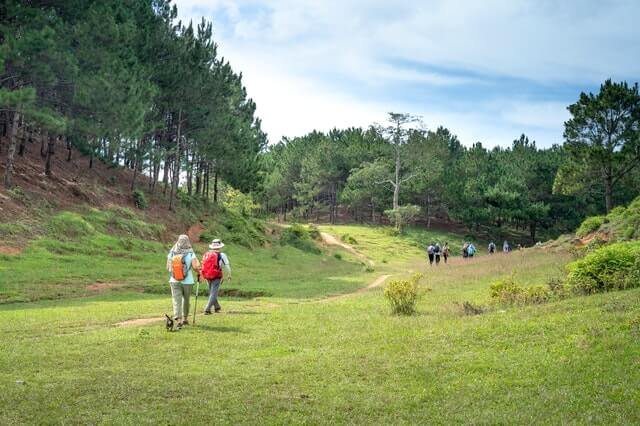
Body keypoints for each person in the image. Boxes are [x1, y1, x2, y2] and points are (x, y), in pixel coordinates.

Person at [167, 234, 201, 329]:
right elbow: (195, 267)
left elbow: (168, 267)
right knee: (186, 300)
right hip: (188, 281)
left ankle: (178, 320)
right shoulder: (191, 253)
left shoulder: (172, 252)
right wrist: (199, 272)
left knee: (176, 300)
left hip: (174, 280)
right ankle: (185, 318)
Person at [202, 238, 232, 314]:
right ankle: (207, 309)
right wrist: (229, 274)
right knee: (213, 292)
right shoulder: (222, 255)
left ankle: (217, 307)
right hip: (216, 275)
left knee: (212, 292)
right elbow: (227, 265)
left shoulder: (207, 254)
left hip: (207, 275)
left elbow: (203, 264)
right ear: (220, 246)